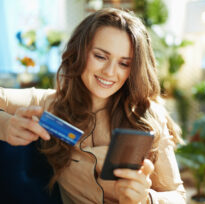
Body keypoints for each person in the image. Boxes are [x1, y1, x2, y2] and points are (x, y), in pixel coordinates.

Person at [0, 8, 186, 204]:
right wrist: (4, 126)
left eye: (124, 64)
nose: (109, 72)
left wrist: (146, 199)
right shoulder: (50, 103)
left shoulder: (149, 116)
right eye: (100, 56)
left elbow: (178, 197)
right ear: (80, 52)